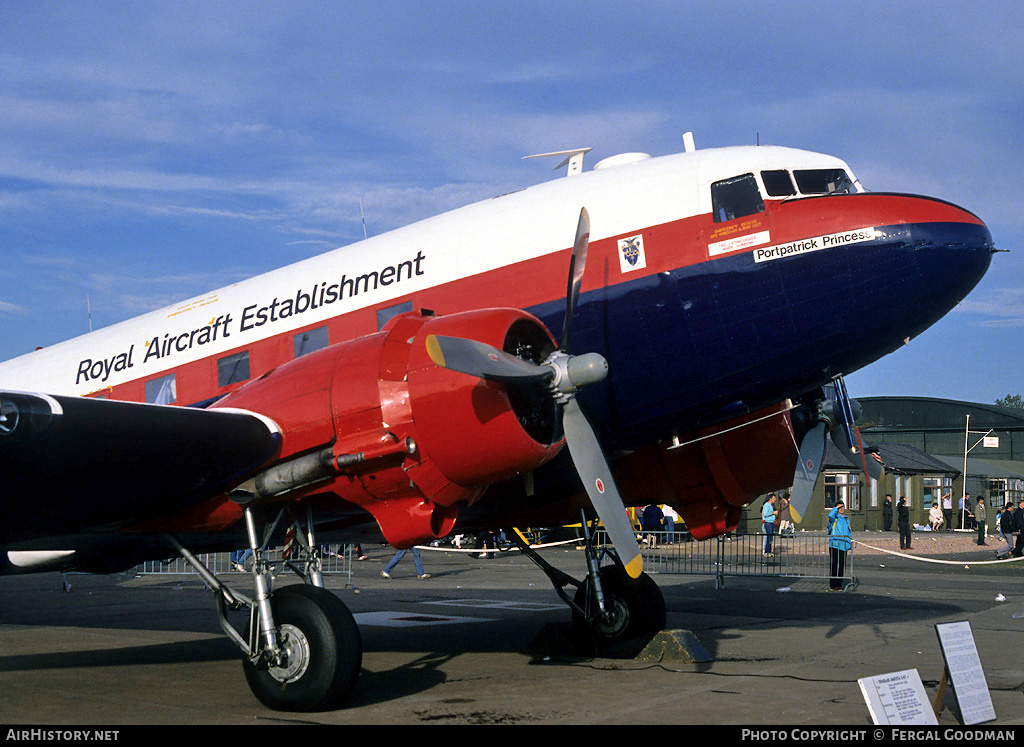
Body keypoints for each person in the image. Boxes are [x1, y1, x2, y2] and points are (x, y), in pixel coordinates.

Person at [827, 502, 852, 591]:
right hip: (835, 544)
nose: (842, 509)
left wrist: (850, 543)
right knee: (834, 564)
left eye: (843, 507)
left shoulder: (846, 519)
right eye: (840, 507)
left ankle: (839, 584)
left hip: (843, 545)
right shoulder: (835, 518)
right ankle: (833, 585)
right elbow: (830, 515)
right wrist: (835, 508)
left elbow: (849, 532)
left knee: (841, 565)